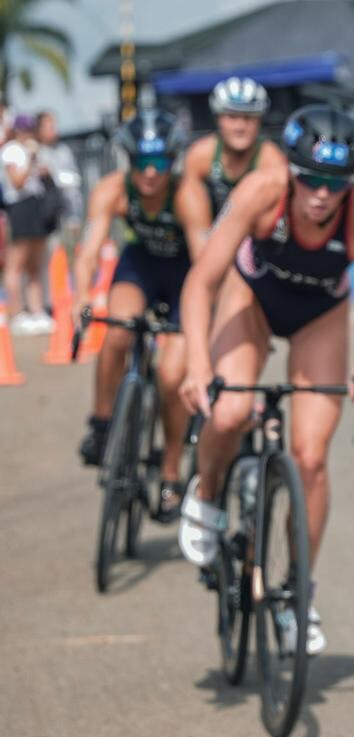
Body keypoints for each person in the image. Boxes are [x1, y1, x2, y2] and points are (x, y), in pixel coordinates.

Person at [177, 105, 354, 656]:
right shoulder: (261, 191)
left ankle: (297, 592)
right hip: (251, 297)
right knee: (229, 411)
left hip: (319, 315)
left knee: (312, 458)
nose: (321, 194)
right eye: (310, 180)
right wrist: (198, 366)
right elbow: (201, 283)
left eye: (335, 184)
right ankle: (206, 494)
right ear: (292, 173)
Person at [74, 111, 192, 523]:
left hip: (185, 275)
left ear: (172, 162)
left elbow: (207, 261)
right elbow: (90, 250)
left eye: (159, 163)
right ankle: (102, 423)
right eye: (141, 162)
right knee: (118, 333)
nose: (150, 173)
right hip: (140, 266)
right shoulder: (112, 190)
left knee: (173, 376)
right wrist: (83, 296)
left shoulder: (188, 196)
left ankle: (171, 472)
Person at [176, 76, 284, 258]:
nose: (240, 126)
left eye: (248, 118)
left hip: (256, 247)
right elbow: (195, 221)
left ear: (260, 120)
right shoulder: (199, 156)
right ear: (218, 118)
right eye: (232, 117)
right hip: (209, 242)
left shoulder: (272, 160)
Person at [2, 114, 54, 334]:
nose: (28, 133)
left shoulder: (33, 150)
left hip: (36, 207)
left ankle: (36, 310)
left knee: (35, 265)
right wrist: (31, 160)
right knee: (16, 264)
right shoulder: (11, 150)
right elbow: (17, 182)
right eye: (25, 129)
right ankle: (16, 313)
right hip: (20, 208)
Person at [36, 111, 81, 248]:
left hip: (66, 214)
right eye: (49, 127)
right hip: (43, 218)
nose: (54, 130)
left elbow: (74, 180)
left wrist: (74, 217)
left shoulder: (63, 151)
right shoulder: (34, 152)